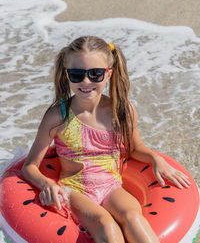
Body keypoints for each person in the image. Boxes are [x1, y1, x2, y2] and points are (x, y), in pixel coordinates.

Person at [22, 36, 190, 243]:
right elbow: (30, 166)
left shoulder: (121, 110)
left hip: (111, 186)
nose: (86, 82)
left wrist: (156, 159)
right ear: (66, 75)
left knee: (133, 217)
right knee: (105, 224)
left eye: (95, 74)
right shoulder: (57, 116)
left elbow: (135, 148)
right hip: (74, 189)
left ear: (108, 74)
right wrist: (46, 183)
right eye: (76, 75)